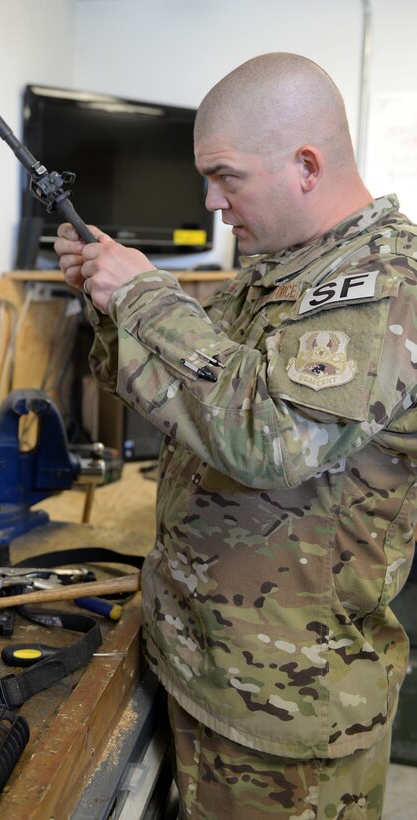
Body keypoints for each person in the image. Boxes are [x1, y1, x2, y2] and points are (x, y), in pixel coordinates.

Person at [54, 52, 417, 819]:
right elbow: (190, 403)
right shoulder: (278, 269)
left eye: (226, 176)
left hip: (288, 708)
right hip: (207, 662)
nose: (212, 202)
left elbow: (267, 441)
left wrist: (147, 296)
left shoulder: (383, 284)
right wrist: (106, 303)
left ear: (305, 165)